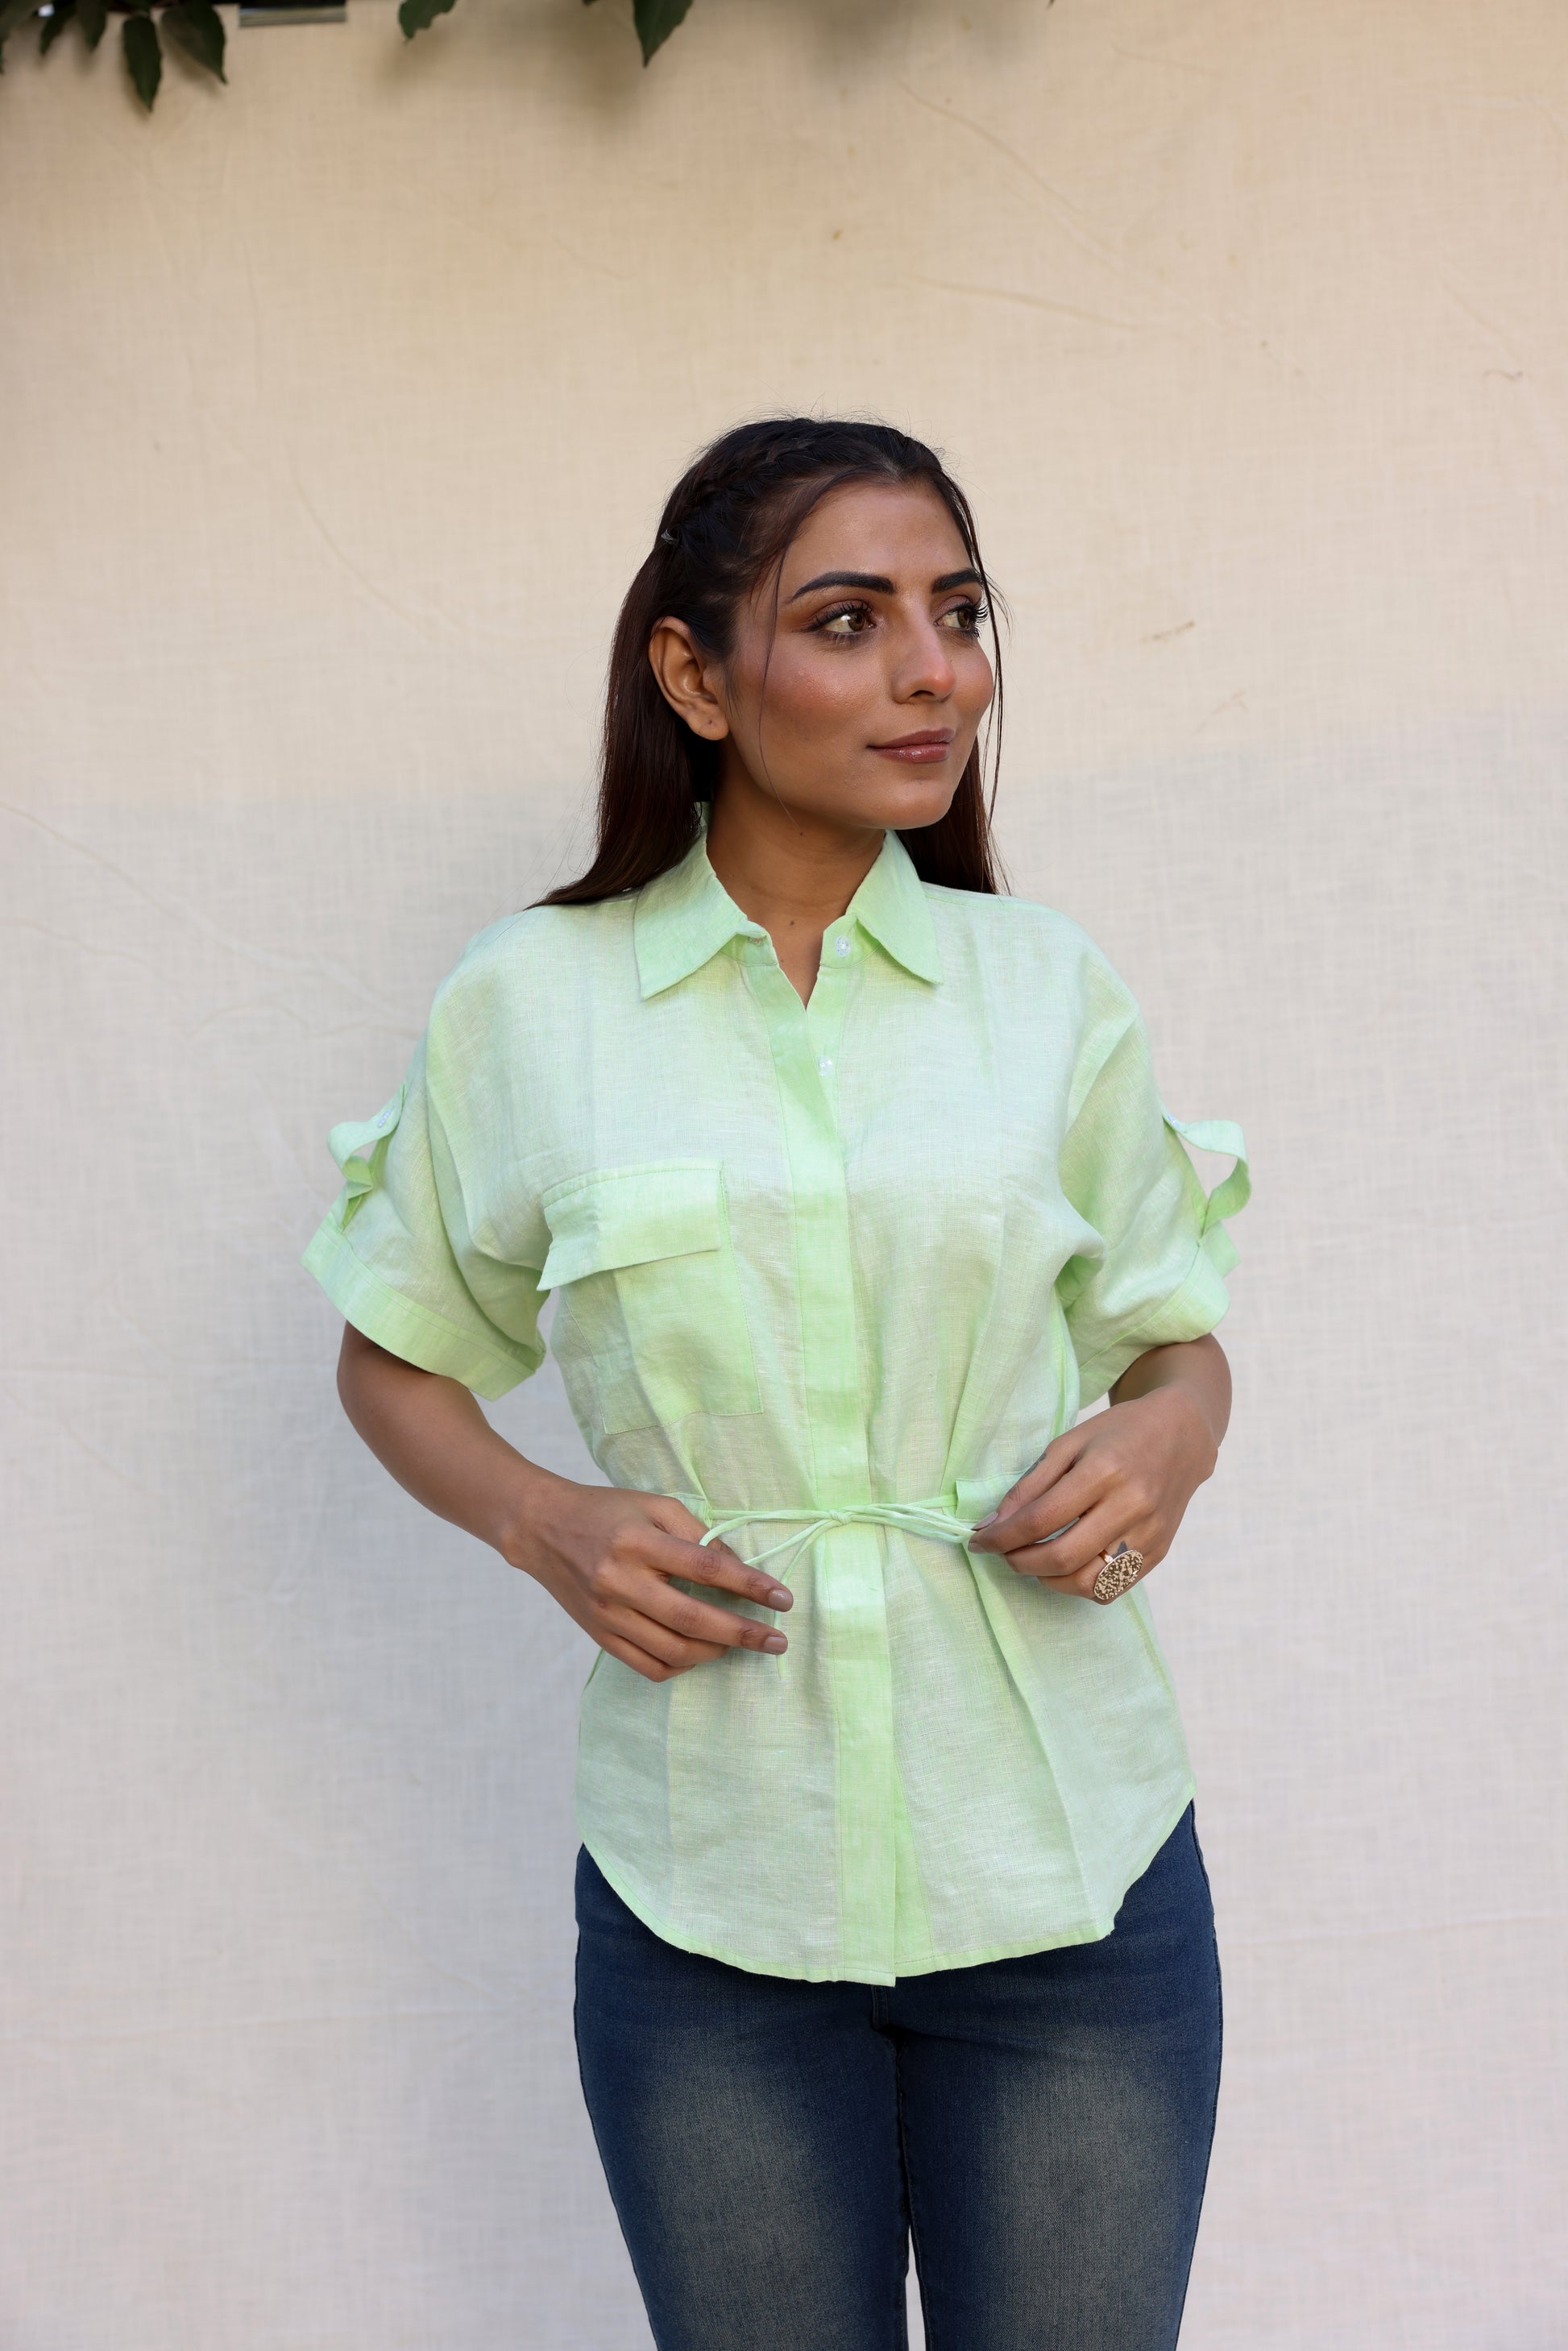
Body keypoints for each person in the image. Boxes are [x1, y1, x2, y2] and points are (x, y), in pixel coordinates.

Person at [301, 417, 1251, 2351]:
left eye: (958, 614)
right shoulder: (532, 1006)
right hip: (709, 1893)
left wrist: (1172, 1433)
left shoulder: (1043, 989)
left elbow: (1174, 1330)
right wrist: (543, 1521)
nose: (933, 673)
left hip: (1064, 1870)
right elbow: (394, 1352)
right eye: (846, 618)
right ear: (693, 671)